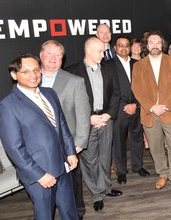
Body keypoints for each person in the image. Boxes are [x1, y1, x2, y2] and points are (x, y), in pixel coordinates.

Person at [0, 54, 78, 219]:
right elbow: (14, 148)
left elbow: (61, 124)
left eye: (36, 70)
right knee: (45, 216)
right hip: (39, 175)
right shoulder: (7, 106)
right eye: (25, 71)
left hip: (63, 166)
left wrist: (70, 151)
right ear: (14, 75)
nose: (33, 75)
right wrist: (39, 175)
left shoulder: (49, 93)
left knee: (70, 213)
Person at [66, 37, 121, 212]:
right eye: (100, 51)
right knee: (89, 161)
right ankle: (97, 194)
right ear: (89, 50)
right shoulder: (73, 72)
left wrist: (109, 115)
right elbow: (69, 103)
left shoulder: (109, 69)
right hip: (85, 123)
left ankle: (106, 188)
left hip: (106, 120)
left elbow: (116, 94)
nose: (103, 54)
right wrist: (88, 117)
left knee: (105, 156)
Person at [40, 40, 91, 220]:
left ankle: (77, 214)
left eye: (58, 55)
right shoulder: (29, 80)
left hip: (66, 147)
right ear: (41, 56)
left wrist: (78, 144)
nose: (53, 59)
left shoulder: (75, 82)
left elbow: (84, 116)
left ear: (63, 58)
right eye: (49, 54)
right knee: (44, 188)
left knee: (72, 187)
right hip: (39, 148)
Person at [132, 32, 171, 197]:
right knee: (155, 147)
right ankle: (163, 173)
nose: (155, 45)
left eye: (158, 42)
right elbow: (137, 89)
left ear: (162, 45)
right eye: (151, 42)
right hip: (150, 113)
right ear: (146, 46)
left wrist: (165, 105)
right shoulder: (139, 65)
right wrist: (152, 107)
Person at [105, 36, 150, 186]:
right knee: (119, 142)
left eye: (126, 46)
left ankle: (138, 166)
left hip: (137, 108)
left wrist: (135, 105)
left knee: (137, 139)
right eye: (120, 46)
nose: (124, 48)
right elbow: (108, 90)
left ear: (130, 48)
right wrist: (124, 106)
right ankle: (121, 172)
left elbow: (144, 88)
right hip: (119, 110)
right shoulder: (108, 65)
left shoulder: (138, 64)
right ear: (115, 48)